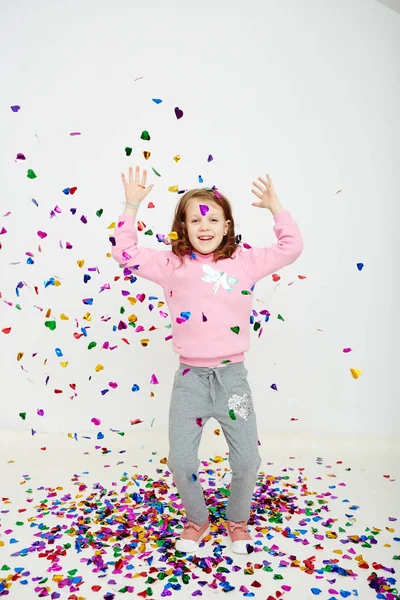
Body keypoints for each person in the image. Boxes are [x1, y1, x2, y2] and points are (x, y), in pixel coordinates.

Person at [111, 165, 304, 554]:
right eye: (194, 219)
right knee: (181, 462)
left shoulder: (246, 262)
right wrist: (131, 205)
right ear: (181, 226)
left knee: (248, 460)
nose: (204, 225)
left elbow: (291, 248)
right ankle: (198, 520)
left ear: (227, 224)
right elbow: (125, 252)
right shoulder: (171, 265)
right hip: (190, 383)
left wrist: (275, 207)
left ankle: (237, 521)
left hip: (232, 381)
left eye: (213, 218)